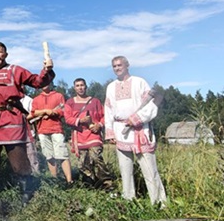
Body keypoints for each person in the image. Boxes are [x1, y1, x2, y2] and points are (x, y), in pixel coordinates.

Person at [0, 41, 54, 200]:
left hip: (12, 121)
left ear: (6, 54)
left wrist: (47, 70)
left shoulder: (16, 71)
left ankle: (27, 197)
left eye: (0, 51)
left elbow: (38, 82)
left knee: (19, 163)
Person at [105, 56, 167, 205]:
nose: (117, 68)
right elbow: (108, 109)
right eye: (114, 66)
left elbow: (151, 105)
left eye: (120, 65)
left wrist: (138, 118)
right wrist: (110, 131)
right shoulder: (111, 87)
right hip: (121, 129)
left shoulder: (140, 82)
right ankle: (129, 200)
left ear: (127, 65)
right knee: (125, 169)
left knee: (149, 168)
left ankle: (159, 202)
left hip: (140, 129)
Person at [64, 78, 112, 188]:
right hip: (79, 136)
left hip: (93, 134)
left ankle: (106, 183)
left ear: (86, 86)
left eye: (82, 85)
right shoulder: (70, 102)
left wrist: (99, 125)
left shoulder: (95, 101)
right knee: (82, 164)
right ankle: (90, 183)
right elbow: (67, 118)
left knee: (96, 157)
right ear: (74, 88)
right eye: (77, 85)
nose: (80, 87)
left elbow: (104, 116)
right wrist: (80, 121)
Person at [30, 83, 73, 184]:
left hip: (56, 129)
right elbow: (33, 113)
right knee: (49, 156)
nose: (44, 84)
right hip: (42, 131)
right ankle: (55, 180)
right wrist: (44, 111)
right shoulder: (36, 99)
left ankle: (69, 181)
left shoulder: (58, 96)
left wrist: (54, 113)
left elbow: (63, 110)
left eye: (47, 81)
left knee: (62, 155)